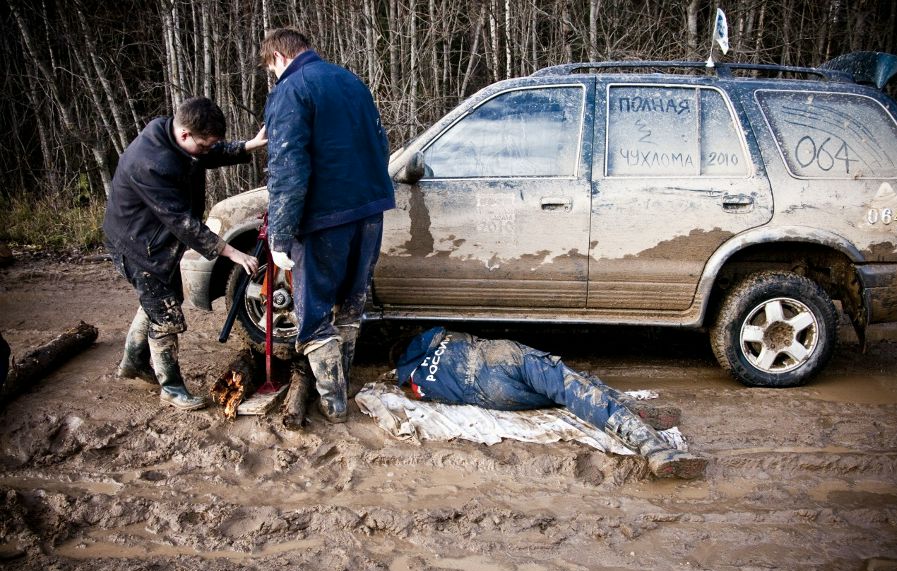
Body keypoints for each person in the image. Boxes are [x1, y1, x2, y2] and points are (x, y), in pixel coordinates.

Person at [258, 27, 395, 428]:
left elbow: (288, 168)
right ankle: (343, 385)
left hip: (324, 218)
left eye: (271, 69)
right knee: (351, 305)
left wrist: (281, 234)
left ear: (279, 58)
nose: (274, 77)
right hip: (369, 210)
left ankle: (334, 404)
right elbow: (381, 144)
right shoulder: (350, 80)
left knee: (315, 311)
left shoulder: (291, 89)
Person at [103, 97, 267, 411]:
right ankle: (171, 388)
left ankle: (132, 363)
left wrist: (248, 146)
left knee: (160, 301)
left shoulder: (174, 135)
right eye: (204, 145)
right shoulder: (151, 163)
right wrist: (230, 252)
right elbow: (182, 222)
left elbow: (209, 152)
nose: (208, 150)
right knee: (165, 315)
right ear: (185, 136)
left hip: (153, 239)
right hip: (137, 246)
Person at [393, 327, 708, 479]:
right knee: (574, 388)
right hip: (503, 359)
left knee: (571, 392)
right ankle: (655, 448)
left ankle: (629, 411)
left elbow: (433, 393)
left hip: (495, 397)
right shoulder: (436, 337)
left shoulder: (417, 382)